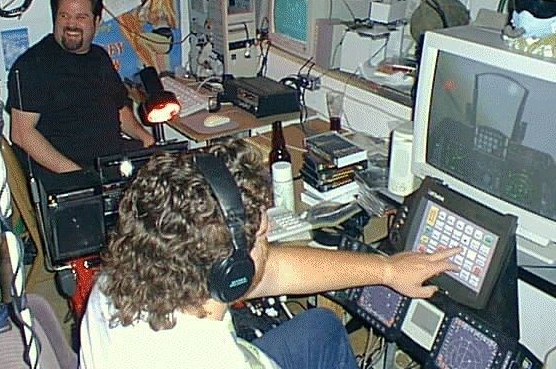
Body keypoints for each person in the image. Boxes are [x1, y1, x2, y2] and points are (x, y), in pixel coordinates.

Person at [79, 139, 460, 369]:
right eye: (263, 234)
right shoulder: (213, 360)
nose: (271, 236)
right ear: (232, 272)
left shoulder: (129, 267)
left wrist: (387, 270)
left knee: (321, 327)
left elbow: (275, 269)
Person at [6, 0, 155, 178]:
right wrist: (79, 175)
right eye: (64, 16)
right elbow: (22, 134)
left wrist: (147, 141)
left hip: (111, 161)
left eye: (81, 17)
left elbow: (119, 109)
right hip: (66, 173)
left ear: (97, 21)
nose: (71, 24)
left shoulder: (99, 57)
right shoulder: (32, 65)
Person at [117, 0, 178, 73]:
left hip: (165, 38)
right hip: (153, 35)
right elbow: (136, 22)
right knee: (124, 20)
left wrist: (166, 9)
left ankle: (154, 71)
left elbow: (174, 24)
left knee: (139, 40)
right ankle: (149, 68)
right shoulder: (146, 2)